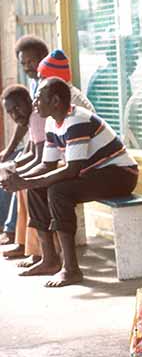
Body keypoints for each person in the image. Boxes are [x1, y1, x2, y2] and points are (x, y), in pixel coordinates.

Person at [0, 78, 138, 287]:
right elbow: (47, 165)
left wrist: (25, 181)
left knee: (58, 191)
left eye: (38, 98)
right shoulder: (51, 121)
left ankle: (71, 269)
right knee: (36, 189)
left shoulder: (77, 120)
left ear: (55, 101)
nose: (35, 104)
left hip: (121, 175)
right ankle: (49, 259)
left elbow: (71, 170)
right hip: (95, 173)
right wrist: (24, 181)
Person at [3, 44, 92, 264]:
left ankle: (53, 257)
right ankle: (44, 256)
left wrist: (29, 179)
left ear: (55, 93)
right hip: (71, 160)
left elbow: (72, 166)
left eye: (43, 85)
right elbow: (45, 157)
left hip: (90, 166)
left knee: (47, 189)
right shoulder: (52, 116)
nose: (36, 96)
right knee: (31, 185)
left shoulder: (74, 109)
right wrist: (25, 177)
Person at [0, 85, 33, 245]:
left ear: (29, 101)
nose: (14, 114)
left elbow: (38, 151)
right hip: (39, 152)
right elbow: (23, 126)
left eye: (17, 108)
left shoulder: (39, 113)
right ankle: (3, 224)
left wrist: (14, 165)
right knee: (4, 166)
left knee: (14, 174)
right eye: (10, 112)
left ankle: (11, 231)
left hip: (60, 159)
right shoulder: (30, 113)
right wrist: (7, 153)